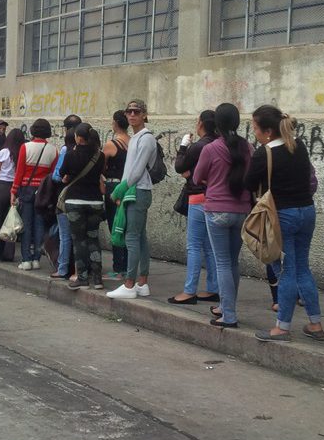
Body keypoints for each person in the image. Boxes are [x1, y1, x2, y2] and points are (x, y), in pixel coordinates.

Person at [244, 105, 324, 343]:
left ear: (267, 131)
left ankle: (282, 327)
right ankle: (315, 323)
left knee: (288, 270)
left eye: (255, 127)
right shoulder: (298, 145)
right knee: (302, 268)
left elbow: (249, 182)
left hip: (283, 214)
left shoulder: (264, 152)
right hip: (307, 210)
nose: (254, 132)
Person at [192, 103, 253, 327]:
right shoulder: (248, 147)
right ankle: (226, 307)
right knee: (233, 263)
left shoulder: (211, 148)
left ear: (216, 124)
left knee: (222, 263)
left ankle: (229, 314)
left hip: (217, 209)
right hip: (241, 210)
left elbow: (197, 178)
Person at [106, 99, 157, 299]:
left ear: (144, 114)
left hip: (139, 191)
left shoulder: (145, 138)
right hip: (134, 191)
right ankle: (142, 282)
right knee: (139, 237)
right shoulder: (135, 138)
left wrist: (120, 189)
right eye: (129, 111)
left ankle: (129, 284)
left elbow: (137, 170)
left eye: (137, 111)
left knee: (132, 238)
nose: (133, 114)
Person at [168, 110, 219, 305]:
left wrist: (183, 146)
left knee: (194, 245)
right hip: (214, 198)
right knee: (209, 246)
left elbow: (180, 166)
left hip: (198, 197)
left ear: (201, 124)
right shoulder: (220, 143)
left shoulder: (199, 146)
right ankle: (213, 288)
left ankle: (190, 290)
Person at [61, 123, 106, 290]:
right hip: (95, 201)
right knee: (93, 238)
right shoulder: (99, 155)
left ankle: (82, 277)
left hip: (75, 202)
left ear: (79, 138)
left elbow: (62, 173)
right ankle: (98, 279)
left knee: (79, 240)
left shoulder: (71, 155)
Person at [10, 118, 59, 271]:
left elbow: (19, 172)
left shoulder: (25, 147)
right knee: (39, 225)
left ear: (33, 130)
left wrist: (13, 191)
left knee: (26, 225)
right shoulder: (53, 150)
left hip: (26, 189)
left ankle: (26, 259)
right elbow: (53, 174)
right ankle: (37, 258)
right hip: (43, 192)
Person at [0, 128, 27, 263]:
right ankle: (8, 254)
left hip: (0, 187)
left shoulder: (4, 152)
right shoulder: (22, 153)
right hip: (15, 188)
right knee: (10, 221)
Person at [102, 110, 130, 279]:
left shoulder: (111, 145)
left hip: (114, 187)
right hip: (128, 187)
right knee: (126, 227)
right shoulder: (132, 142)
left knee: (115, 227)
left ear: (115, 123)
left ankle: (118, 268)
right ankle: (127, 266)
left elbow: (101, 165)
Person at [50, 130, 76, 279]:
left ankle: (63, 268)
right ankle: (82, 269)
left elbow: (57, 176)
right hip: (89, 199)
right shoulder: (95, 154)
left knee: (65, 235)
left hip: (66, 198)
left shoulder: (67, 152)